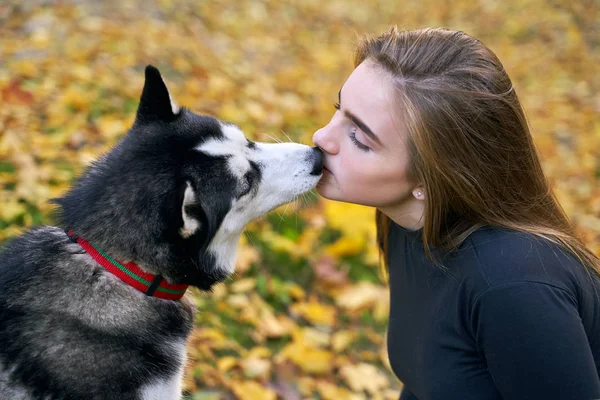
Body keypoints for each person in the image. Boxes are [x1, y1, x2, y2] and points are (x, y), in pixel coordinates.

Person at [312, 26, 600, 399]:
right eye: (340, 110)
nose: (322, 136)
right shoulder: (406, 219)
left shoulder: (512, 287)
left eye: (359, 138)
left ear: (431, 178)